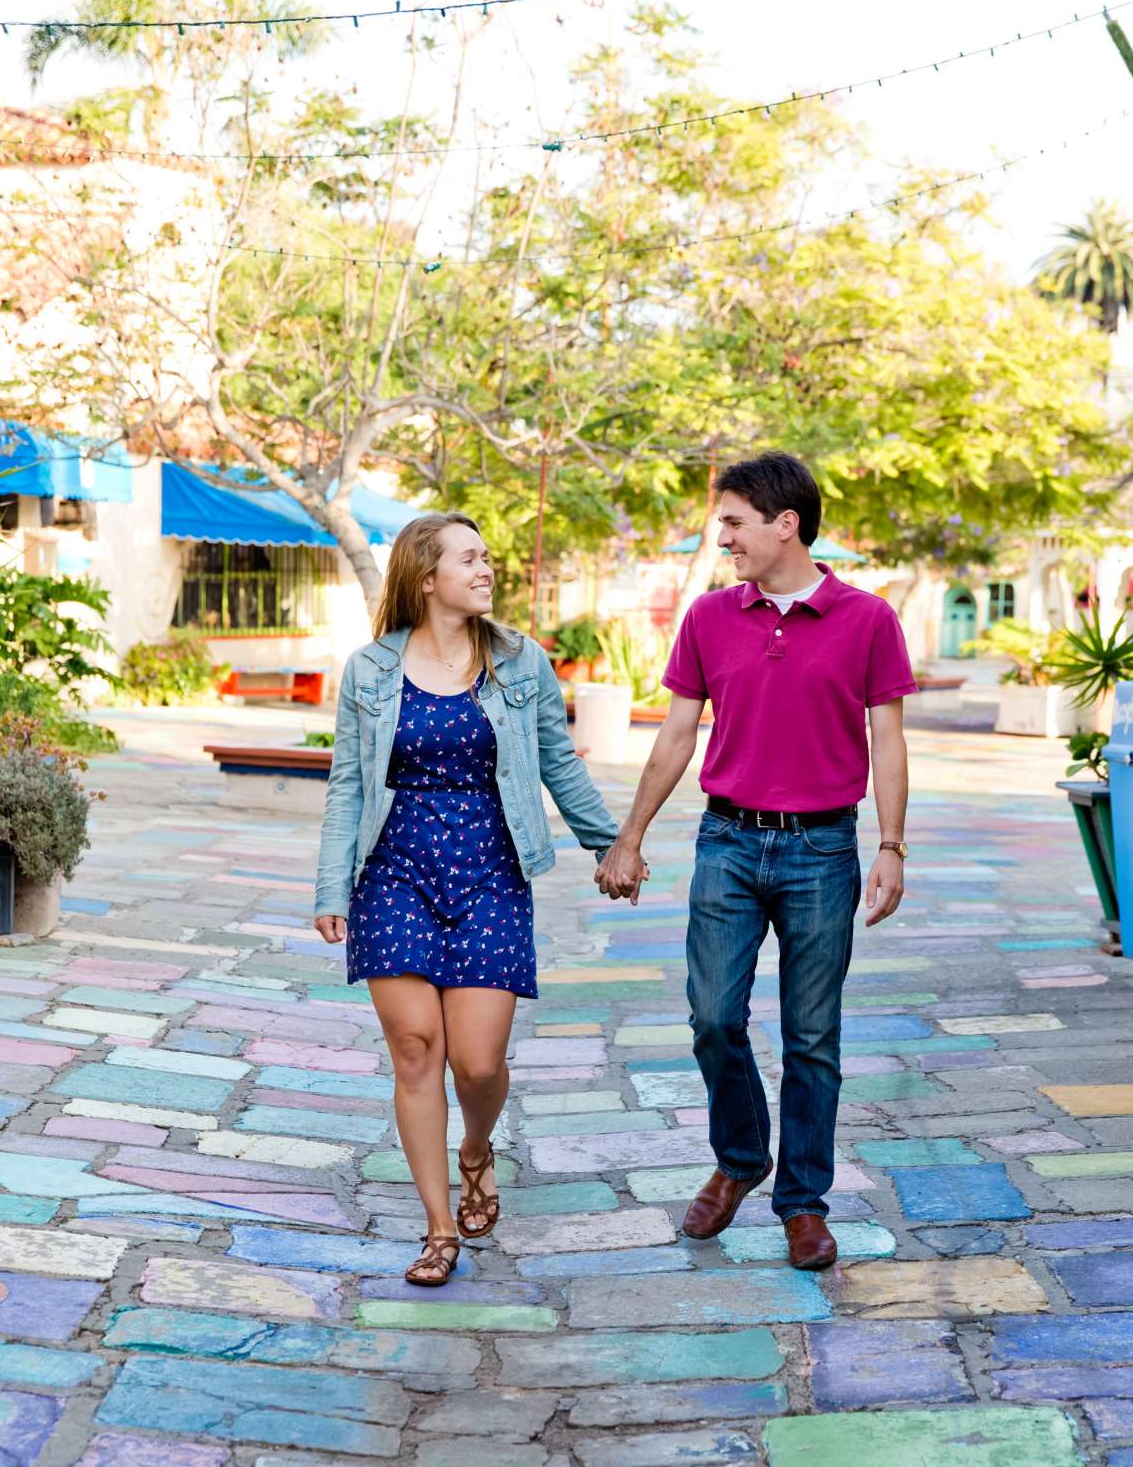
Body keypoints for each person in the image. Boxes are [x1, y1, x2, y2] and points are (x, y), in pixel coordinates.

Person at [597, 451, 914, 1269]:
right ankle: (741, 1159)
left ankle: (802, 1202)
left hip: (822, 849)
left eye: (734, 522)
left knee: (812, 1036)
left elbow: (888, 740)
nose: (724, 538)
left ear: (786, 524)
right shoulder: (708, 618)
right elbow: (675, 734)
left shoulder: (868, 619)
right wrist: (630, 835)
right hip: (728, 841)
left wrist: (889, 846)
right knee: (711, 1016)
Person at [314, 514, 619, 1287]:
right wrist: (330, 886)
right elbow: (348, 784)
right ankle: (438, 1227)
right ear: (426, 577)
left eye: (488, 556)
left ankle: (477, 1148)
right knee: (416, 1048)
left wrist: (609, 842)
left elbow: (558, 761)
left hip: (489, 870)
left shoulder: (520, 662)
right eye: (471, 558)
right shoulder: (371, 670)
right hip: (395, 871)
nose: (487, 569)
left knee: (478, 1064)